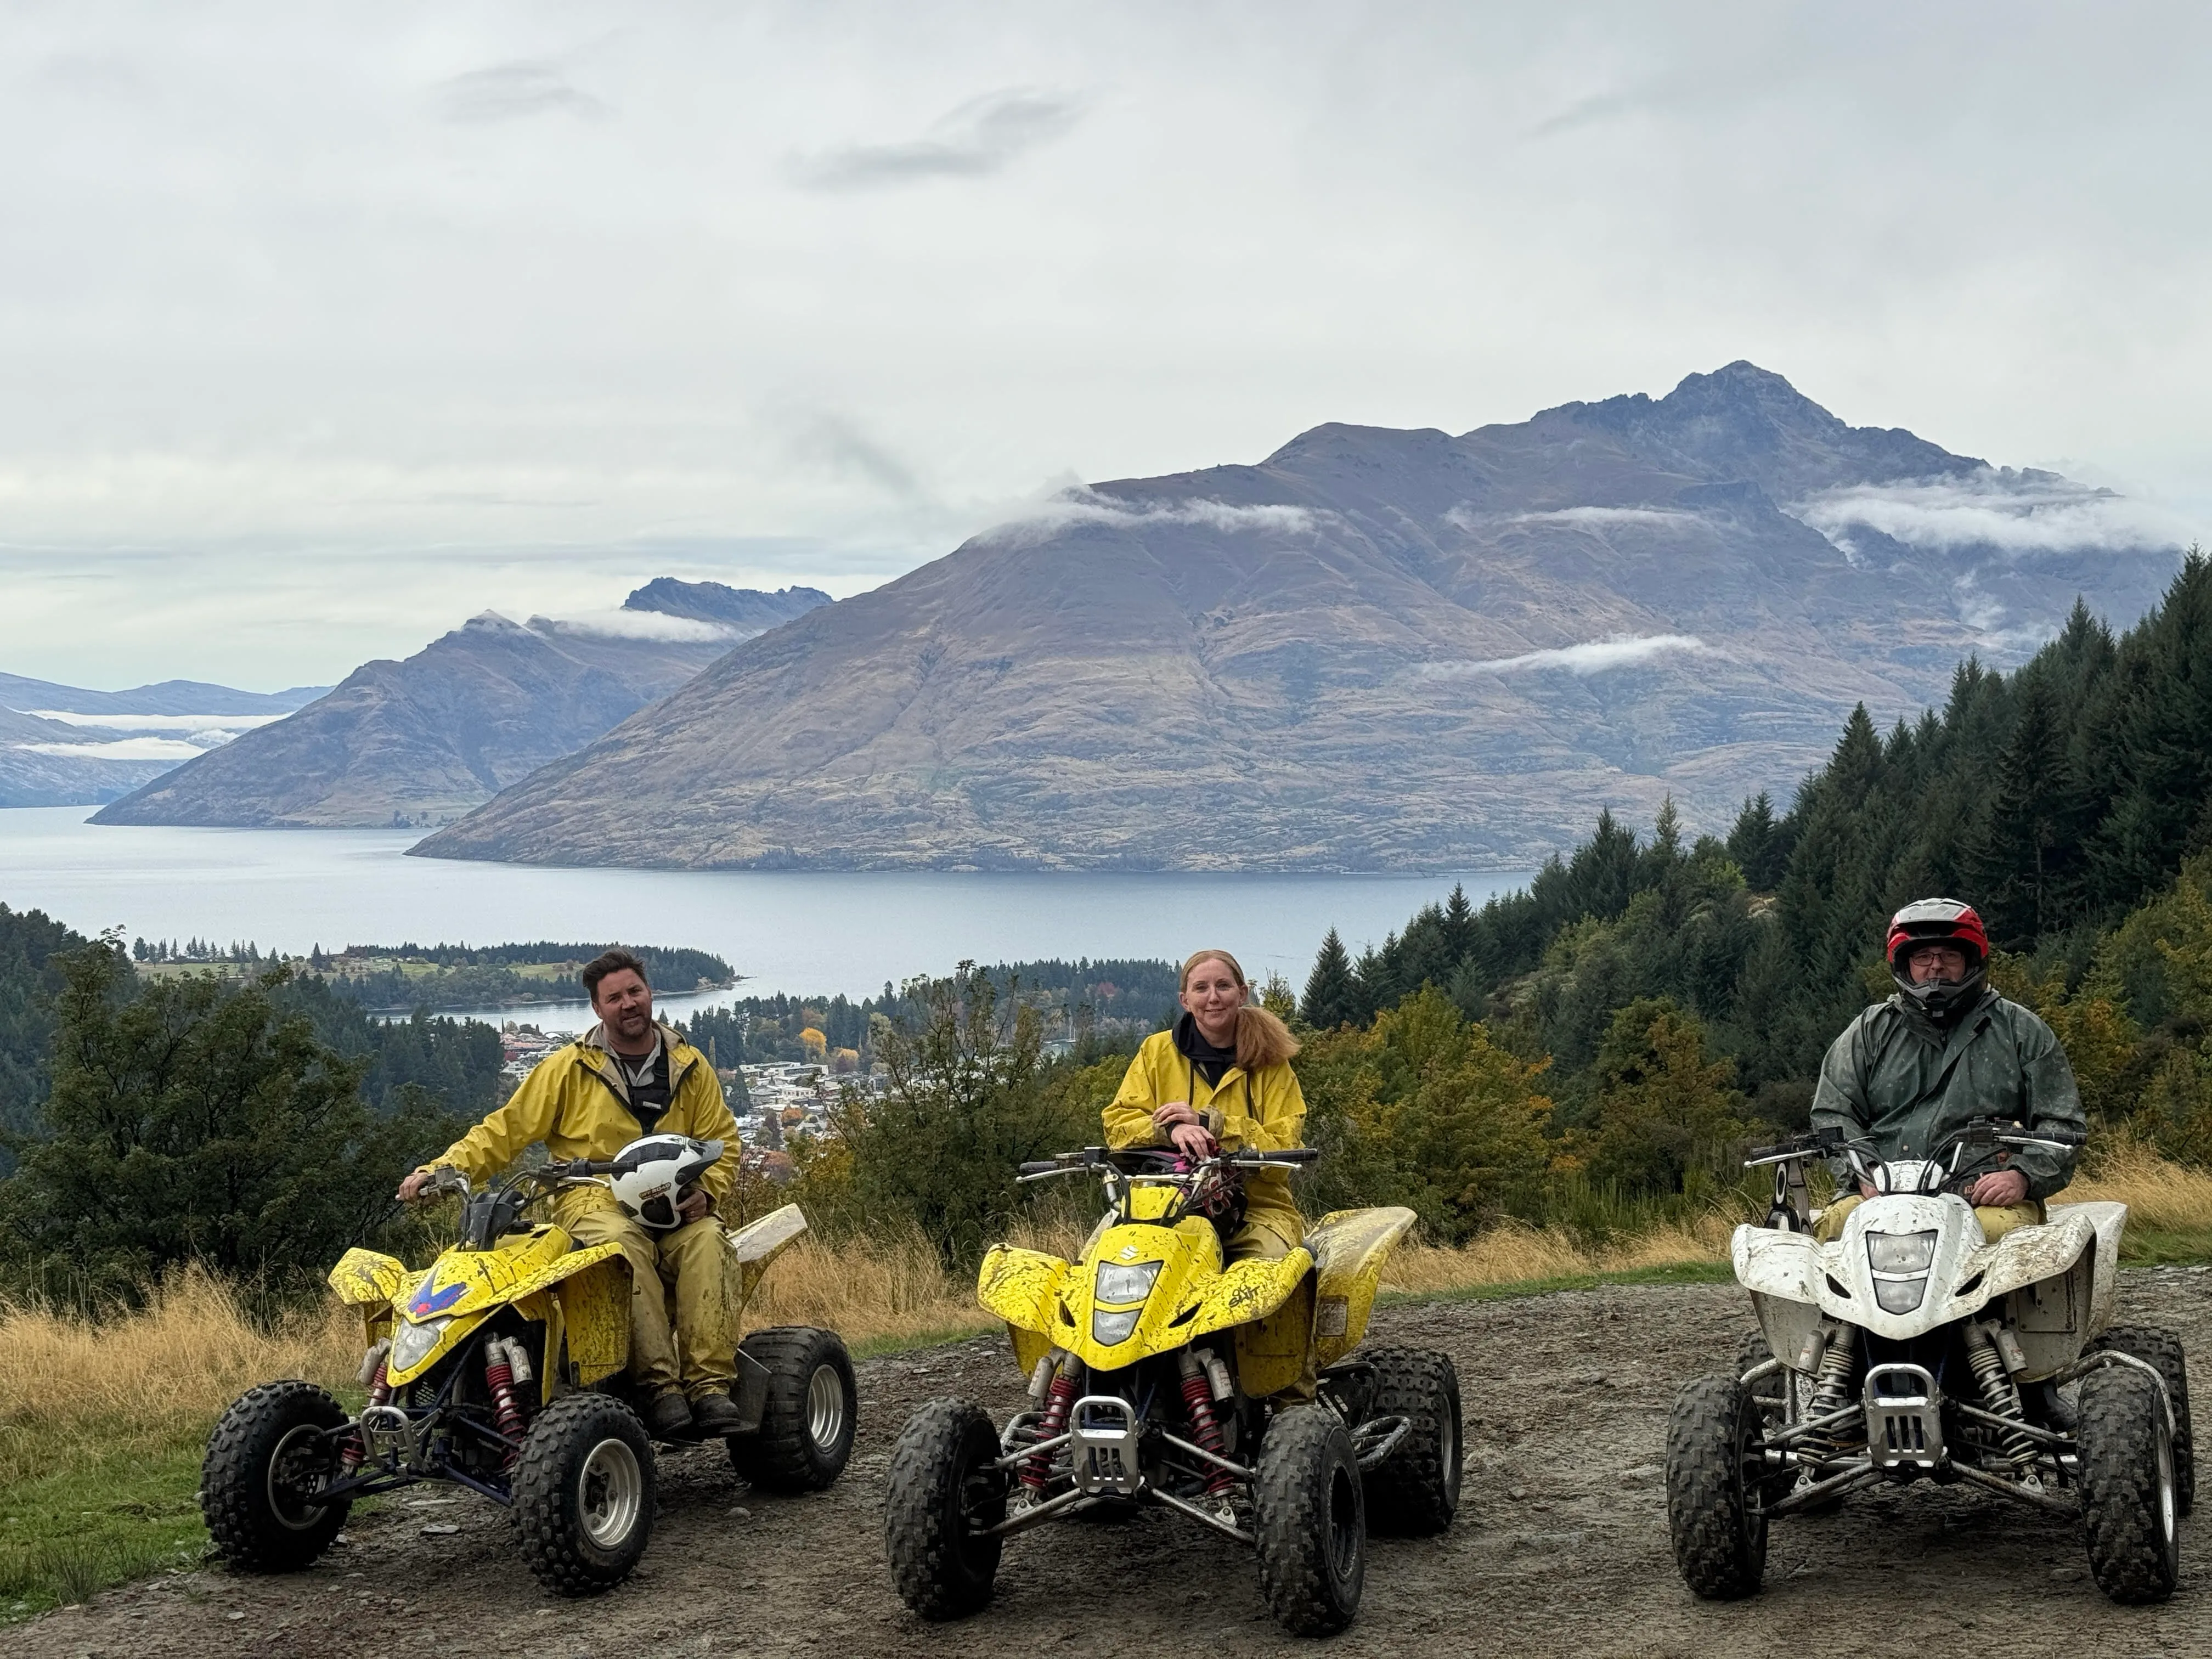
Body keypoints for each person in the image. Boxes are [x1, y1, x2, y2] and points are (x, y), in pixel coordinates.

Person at [396, 947, 743, 1438]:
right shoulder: (568, 1068)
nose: (628, 1004)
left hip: (672, 1201)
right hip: (591, 1197)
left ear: (651, 994)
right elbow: (506, 1131)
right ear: (598, 1010)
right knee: (622, 1248)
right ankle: (659, 1388)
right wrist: (443, 1168)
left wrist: (707, 1190)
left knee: (710, 1243)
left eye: (635, 992)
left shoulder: (690, 1065)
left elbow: (723, 1141)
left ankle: (710, 1388)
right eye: (614, 997)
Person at [1809, 898, 2086, 1245]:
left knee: (2002, 1237)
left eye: (1949, 956)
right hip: (1883, 1193)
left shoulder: (2021, 1030)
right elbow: (1833, 1114)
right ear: (1904, 964)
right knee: (1833, 1232)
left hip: (1983, 1195)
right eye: (1922, 957)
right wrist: (1862, 1173)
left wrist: (2023, 1176)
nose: (1935, 967)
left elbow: (2063, 1123)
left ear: (1972, 960)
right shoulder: (1869, 1030)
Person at [1102, 949, 1307, 1264]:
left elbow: (1285, 1144)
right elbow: (1117, 1126)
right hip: (1160, 1207)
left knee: (1270, 1271)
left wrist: (1213, 1125)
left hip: (1257, 1212)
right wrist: (1171, 1128)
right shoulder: (1157, 1051)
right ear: (1185, 1000)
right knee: (1094, 1267)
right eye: (1201, 988)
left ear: (1242, 994)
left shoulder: (1272, 1061)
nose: (1213, 997)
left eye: (1223, 986)